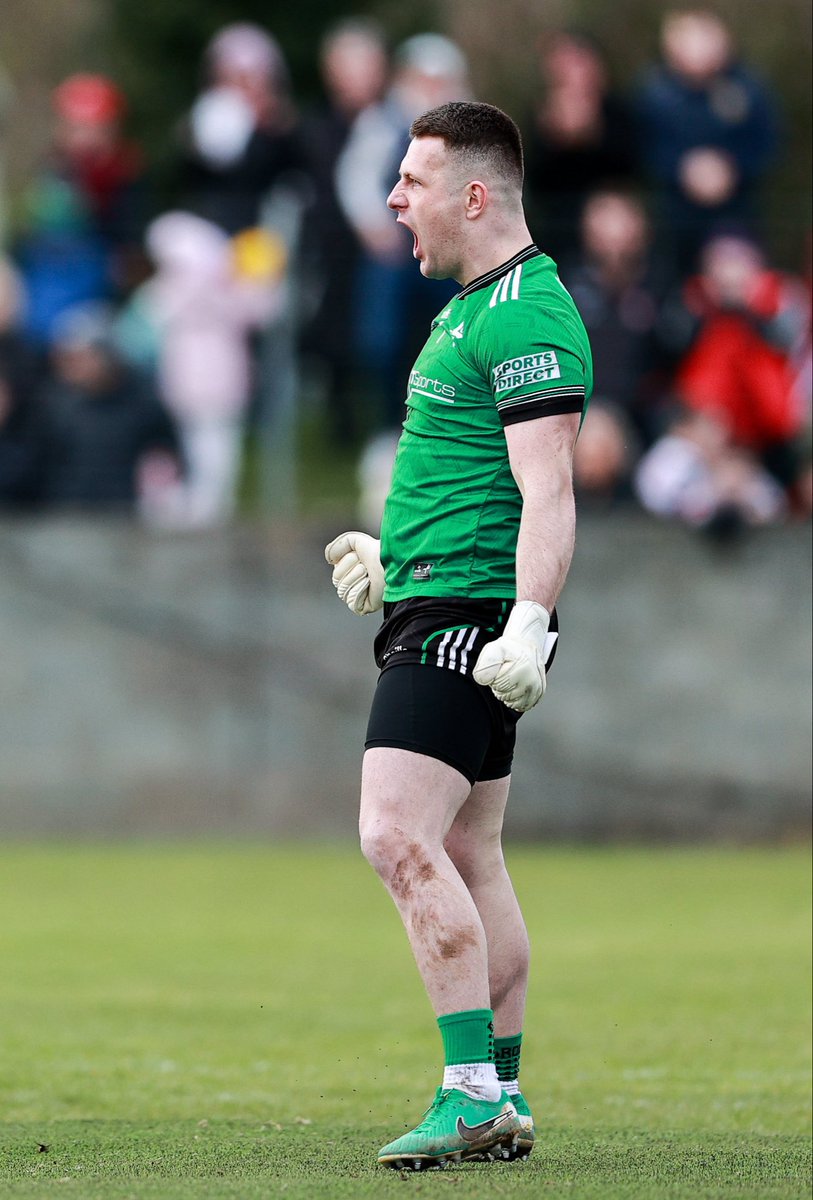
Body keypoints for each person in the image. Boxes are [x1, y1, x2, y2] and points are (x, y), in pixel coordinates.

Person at [324, 101, 592, 1170]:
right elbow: (478, 478)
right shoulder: (470, 307)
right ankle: (505, 1092)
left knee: (394, 834)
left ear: (473, 195)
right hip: (444, 600)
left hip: (473, 618)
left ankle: (469, 1093)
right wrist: (398, 561)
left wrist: (530, 624)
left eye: (412, 180)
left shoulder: (527, 312)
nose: (395, 199)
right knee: (471, 851)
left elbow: (549, 490)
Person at [635, 9, 780, 277]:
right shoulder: (654, 94)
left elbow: (767, 142)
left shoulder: (748, 88)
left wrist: (731, 168)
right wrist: (682, 170)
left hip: (738, 213)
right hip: (675, 218)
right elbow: (644, 147)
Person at [524, 29, 638, 266]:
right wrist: (555, 139)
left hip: (612, 214)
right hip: (559, 223)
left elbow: (630, 168)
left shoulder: (617, 110)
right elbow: (535, 179)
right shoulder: (540, 116)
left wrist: (594, 133)